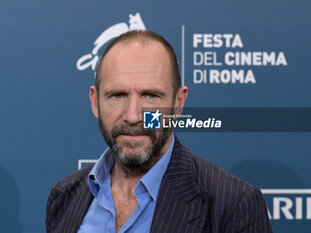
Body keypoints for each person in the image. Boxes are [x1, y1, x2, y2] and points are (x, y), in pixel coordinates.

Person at [46, 30, 272, 233]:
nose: (134, 116)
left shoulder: (232, 205)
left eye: (150, 96)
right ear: (95, 102)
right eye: (118, 95)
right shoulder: (65, 196)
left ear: (178, 102)